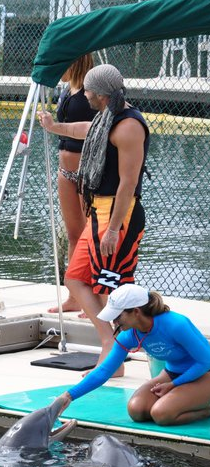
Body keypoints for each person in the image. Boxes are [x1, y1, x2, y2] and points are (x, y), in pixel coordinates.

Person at [38, 64, 149, 377]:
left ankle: (120, 351)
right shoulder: (107, 118)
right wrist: (53, 126)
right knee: (76, 278)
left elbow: (128, 182)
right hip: (100, 211)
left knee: (113, 289)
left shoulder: (129, 126)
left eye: (87, 90)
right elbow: (82, 129)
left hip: (119, 214)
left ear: (100, 94)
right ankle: (111, 347)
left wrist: (113, 228)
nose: (83, 94)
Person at [55, 284, 210, 426]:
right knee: (137, 410)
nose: (114, 322)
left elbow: (205, 362)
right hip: (172, 373)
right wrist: (68, 396)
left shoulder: (176, 324)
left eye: (117, 316)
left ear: (136, 312)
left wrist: (173, 385)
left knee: (162, 414)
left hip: (204, 374)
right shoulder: (128, 335)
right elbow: (104, 371)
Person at [46, 54, 97, 315]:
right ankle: (75, 295)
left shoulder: (91, 90)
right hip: (66, 170)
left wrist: (55, 127)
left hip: (87, 171)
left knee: (92, 234)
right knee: (74, 233)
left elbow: (95, 129)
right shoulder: (68, 89)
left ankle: (96, 295)